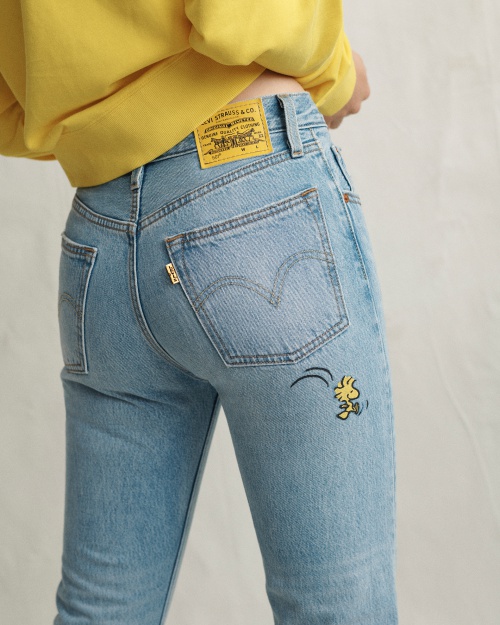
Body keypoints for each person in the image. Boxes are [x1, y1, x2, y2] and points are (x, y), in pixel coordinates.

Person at [0, 1, 398, 623]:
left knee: (101, 609)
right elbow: (234, 13)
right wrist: (337, 72)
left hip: (101, 242)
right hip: (253, 203)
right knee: (337, 605)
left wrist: (101, 115)